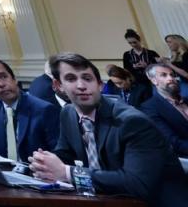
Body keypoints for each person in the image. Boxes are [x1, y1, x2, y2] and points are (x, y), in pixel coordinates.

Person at [29, 53, 188, 205]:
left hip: (157, 201)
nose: (81, 85)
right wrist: (44, 163)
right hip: (107, 198)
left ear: (100, 85)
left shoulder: (132, 121)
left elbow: (137, 184)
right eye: (71, 79)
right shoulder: (68, 113)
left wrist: (68, 173)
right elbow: (65, 153)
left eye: (87, 78)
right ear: (58, 86)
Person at [0, 56, 59, 163]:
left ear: (14, 79)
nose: (1, 84)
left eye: (3, 76)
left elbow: (58, 154)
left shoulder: (44, 109)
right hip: (5, 174)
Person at [139, 62, 188, 156]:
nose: (171, 79)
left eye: (172, 75)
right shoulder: (149, 108)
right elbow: (173, 143)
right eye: (164, 75)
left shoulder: (186, 100)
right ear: (154, 81)